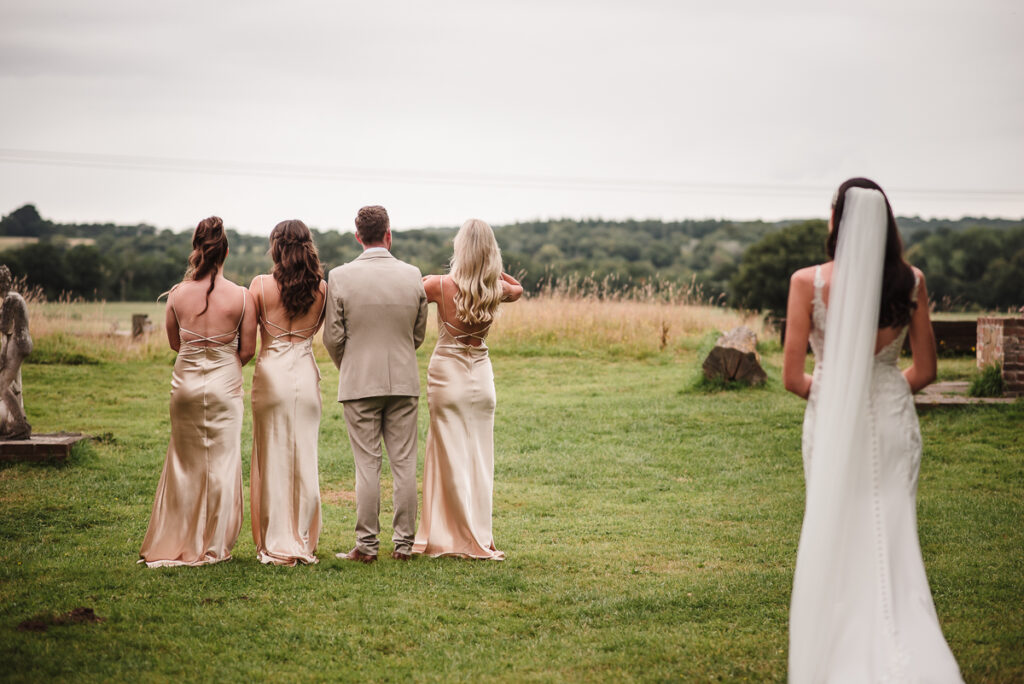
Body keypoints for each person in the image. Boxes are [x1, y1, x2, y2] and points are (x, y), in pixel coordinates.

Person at [783, 179, 962, 682]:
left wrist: (837, 396)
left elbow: (793, 378)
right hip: (891, 416)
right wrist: (885, 388)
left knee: (835, 524)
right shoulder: (911, 281)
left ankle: (840, 648)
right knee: (893, 529)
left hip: (831, 420)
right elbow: (926, 370)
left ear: (837, 220)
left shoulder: (807, 282)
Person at [139, 216, 257, 568]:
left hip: (186, 387)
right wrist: (222, 366)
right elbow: (248, 350)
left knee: (184, 464)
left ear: (197, 249)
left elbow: (175, 343)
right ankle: (213, 544)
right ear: (226, 252)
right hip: (225, 387)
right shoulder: (242, 296)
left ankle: (179, 538)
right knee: (222, 463)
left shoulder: (177, 295)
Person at [412, 218, 522, 560]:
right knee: (479, 457)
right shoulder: (496, 289)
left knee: (448, 455)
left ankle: (450, 535)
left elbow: (411, 288)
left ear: (460, 250)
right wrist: (490, 270)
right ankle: (477, 533)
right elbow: (517, 288)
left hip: (448, 375)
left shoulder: (439, 285)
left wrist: (461, 269)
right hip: (481, 377)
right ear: (491, 252)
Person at [323, 205, 428, 563]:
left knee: (367, 465)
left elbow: (332, 337)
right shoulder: (412, 274)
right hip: (404, 380)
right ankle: (404, 545)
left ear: (358, 237)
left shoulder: (339, 276)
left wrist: (350, 364)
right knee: (404, 464)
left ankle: (367, 546)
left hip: (358, 382)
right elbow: (417, 334)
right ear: (388, 234)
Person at [249, 220, 327, 566]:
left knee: (271, 457)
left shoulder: (260, 286)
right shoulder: (322, 289)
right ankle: (302, 536)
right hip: (305, 376)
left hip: (271, 376)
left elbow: (248, 339)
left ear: (276, 247)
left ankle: (275, 536)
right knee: (304, 456)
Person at [0, 265, 33, 440]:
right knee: (11, 384)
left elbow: (4, 327)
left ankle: (21, 426)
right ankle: (16, 422)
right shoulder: (15, 297)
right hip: (20, 342)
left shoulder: (9, 299)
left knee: (3, 386)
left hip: (18, 343)